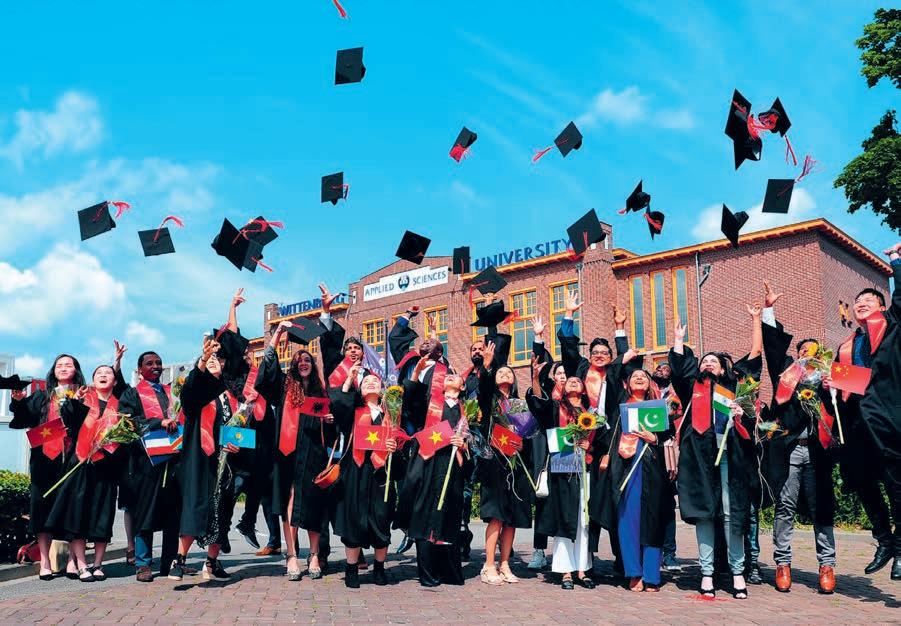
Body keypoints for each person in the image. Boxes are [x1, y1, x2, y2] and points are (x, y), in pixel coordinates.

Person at [669, 305, 762, 599]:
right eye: (704, 361)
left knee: (731, 513)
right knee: (705, 514)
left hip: (729, 458)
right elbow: (679, 368)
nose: (708, 364)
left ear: (723, 368)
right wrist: (678, 340)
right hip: (700, 459)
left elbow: (755, 359)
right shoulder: (692, 387)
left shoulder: (733, 387)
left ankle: (737, 572)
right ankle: (707, 573)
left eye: (713, 361)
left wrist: (756, 320)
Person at [824, 242, 901, 580]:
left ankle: (900, 547)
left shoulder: (892, 327)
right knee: (861, 480)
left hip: (888, 417)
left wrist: (896, 261)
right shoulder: (848, 344)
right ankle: (884, 539)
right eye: (857, 301)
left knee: (896, 483)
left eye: (869, 300)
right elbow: (848, 384)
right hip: (856, 423)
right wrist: (829, 383)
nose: (861, 303)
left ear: (882, 306)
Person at [760, 281, 838, 593]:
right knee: (785, 506)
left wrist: (833, 391)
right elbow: (772, 348)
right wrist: (769, 310)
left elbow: (845, 410)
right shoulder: (788, 374)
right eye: (802, 350)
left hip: (819, 450)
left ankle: (827, 565)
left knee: (822, 507)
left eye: (812, 350)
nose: (807, 353)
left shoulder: (829, 378)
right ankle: (783, 563)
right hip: (790, 449)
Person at [256, 319, 336, 581]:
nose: (303, 363)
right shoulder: (283, 388)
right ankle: (291, 555)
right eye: (299, 360)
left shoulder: (320, 392)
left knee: (313, 504)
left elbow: (331, 431)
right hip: (287, 455)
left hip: (313, 454)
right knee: (289, 502)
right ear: (293, 365)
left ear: (313, 365)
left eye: (308, 360)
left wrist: (330, 422)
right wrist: (278, 334)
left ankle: (313, 555)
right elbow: (267, 369)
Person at [558, 292, 629, 574]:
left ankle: (621, 559)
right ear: (589, 356)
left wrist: (619, 327)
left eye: (605, 353)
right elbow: (568, 348)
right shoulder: (580, 370)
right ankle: (584, 562)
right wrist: (569, 315)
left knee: (612, 499)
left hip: (609, 442)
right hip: (581, 441)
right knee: (583, 501)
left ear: (610, 357)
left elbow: (627, 361)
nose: (600, 355)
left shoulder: (614, 374)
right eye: (595, 352)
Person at [45, 346, 129, 583]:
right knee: (78, 514)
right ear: (92, 380)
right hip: (82, 463)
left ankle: (98, 564)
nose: (103, 375)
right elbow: (69, 422)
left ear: (115, 380)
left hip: (107, 467)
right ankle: (82, 565)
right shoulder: (84, 398)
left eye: (108, 373)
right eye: (98, 373)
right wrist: (74, 403)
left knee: (103, 514)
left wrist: (117, 362)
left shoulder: (121, 404)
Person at [10, 354, 88, 581]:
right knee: (42, 510)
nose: (63, 368)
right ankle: (45, 562)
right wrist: (18, 402)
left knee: (71, 511)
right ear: (53, 371)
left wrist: (77, 403)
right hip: (44, 462)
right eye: (59, 365)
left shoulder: (85, 394)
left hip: (72, 460)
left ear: (76, 370)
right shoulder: (42, 396)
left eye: (68, 365)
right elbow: (24, 418)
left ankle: (72, 561)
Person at [167, 337, 238, 581]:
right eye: (209, 360)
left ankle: (211, 562)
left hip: (226, 460)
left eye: (218, 359)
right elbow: (190, 392)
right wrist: (204, 359)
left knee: (222, 510)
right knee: (194, 507)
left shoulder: (230, 395)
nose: (214, 362)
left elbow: (238, 424)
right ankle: (179, 560)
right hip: (199, 459)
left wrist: (237, 443)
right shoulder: (196, 394)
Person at [216, 289, 281, 557]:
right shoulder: (231, 371)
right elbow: (232, 335)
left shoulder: (257, 372)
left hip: (262, 433)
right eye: (242, 349)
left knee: (260, 481)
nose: (246, 352)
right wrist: (232, 307)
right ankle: (221, 531)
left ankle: (247, 522)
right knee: (234, 486)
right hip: (240, 432)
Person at [601, 358, 673, 592]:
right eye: (635, 376)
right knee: (628, 520)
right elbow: (611, 377)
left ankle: (652, 574)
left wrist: (656, 438)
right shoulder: (620, 405)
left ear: (650, 383)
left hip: (653, 468)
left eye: (644, 376)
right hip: (626, 467)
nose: (640, 378)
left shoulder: (658, 406)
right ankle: (634, 571)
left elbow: (668, 434)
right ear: (627, 384)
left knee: (653, 521)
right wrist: (624, 351)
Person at [527, 367, 602, 589]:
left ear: (584, 388)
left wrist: (591, 446)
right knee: (564, 518)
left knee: (583, 520)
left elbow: (603, 442)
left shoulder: (593, 413)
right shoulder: (555, 408)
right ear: (562, 387)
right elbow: (538, 405)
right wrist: (535, 378)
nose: (573, 382)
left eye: (578, 380)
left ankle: (582, 569)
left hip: (585, 469)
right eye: (569, 380)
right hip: (562, 469)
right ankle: (565, 571)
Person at [396, 373, 471, 586]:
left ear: (463, 386)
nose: (450, 377)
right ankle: (427, 572)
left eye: (455, 376)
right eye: (447, 376)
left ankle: (448, 572)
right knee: (425, 512)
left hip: (452, 466)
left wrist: (464, 443)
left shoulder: (467, 409)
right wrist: (417, 372)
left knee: (450, 513)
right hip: (429, 463)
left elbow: (472, 439)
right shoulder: (430, 403)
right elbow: (411, 399)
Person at [118, 350, 186, 582]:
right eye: (149, 363)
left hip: (174, 458)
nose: (156, 366)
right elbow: (128, 422)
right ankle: (143, 564)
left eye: (158, 363)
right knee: (145, 513)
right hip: (146, 462)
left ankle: (169, 563)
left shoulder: (172, 392)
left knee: (173, 514)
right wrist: (159, 422)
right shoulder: (132, 394)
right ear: (140, 369)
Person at [331, 368, 399, 588]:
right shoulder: (354, 410)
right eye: (366, 380)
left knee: (381, 518)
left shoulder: (391, 413)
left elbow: (400, 439)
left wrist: (394, 445)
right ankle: (351, 569)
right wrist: (349, 379)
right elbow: (338, 405)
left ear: (382, 388)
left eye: (375, 381)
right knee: (354, 519)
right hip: (357, 470)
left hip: (381, 472)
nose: (370, 383)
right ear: (359, 388)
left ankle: (379, 568)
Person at [476, 342, 532, 585]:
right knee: (496, 514)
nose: (505, 374)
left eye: (509, 372)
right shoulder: (490, 401)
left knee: (511, 517)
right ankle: (488, 565)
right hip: (495, 461)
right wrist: (487, 366)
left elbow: (528, 431)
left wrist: (523, 444)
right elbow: (483, 389)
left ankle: (505, 563)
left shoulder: (520, 404)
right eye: (501, 372)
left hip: (515, 463)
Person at [527, 316, 563, 571]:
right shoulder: (548, 391)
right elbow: (538, 368)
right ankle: (539, 551)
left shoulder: (576, 395)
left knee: (567, 499)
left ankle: (567, 551)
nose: (562, 376)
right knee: (543, 499)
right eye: (558, 373)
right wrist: (538, 338)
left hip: (569, 451)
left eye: (565, 373)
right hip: (547, 451)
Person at [651, 361, 681, 573]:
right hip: (647, 448)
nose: (661, 371)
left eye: (666, 369)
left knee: (668, 504)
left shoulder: (675, 394)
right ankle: (652, 551)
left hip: (667, 449)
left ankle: (669, 553)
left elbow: (678, 415)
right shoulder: (647, 392)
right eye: (658, 368)